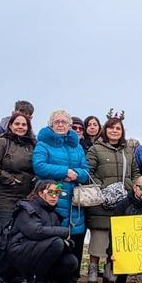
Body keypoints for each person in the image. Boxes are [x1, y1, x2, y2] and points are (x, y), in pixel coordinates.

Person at [33, 109, 92, 269]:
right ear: (51, 125)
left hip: (74, 196)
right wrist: (64, 171)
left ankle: (72, 273)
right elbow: (39, 166)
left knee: (77, 232)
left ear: (69, 125)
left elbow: (86, 170)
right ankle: (51, 272)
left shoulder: (77, 147)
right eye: (57, 122)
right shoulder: (43, 144)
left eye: (63, 122)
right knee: (54, 232)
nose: (60, 125)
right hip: (53, 194)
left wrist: (76, 174)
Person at [86, 113, 139, 283]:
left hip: (123, 199)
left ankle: (111, 267)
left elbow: (135, 172)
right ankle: (93, 268)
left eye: (118, 128)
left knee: (116, 235)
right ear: (105, 129)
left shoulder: (128, 151)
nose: (115, 131)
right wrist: (103, 188)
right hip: (102, 198)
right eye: (111, 127)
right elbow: (89, 172)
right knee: (98, 233)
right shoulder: (95, 149)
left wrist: (131, 186)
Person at [7, 180, 80, 283]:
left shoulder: (53, 212)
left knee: (70, 261)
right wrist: (64, 232)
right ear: (41, 193)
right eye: (50, 192)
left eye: (57, 192)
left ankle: (49, 279)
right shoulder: (27, 208)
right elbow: (35, 232)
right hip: (20, 250)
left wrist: (68, 243)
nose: (54, 196)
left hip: (37, 248)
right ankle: (35, 281)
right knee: (56, 243)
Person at [0, 112, 36, 228]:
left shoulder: (32, 145)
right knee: (6, 231)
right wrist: (8, 179)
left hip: (27, 196)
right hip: (6, 196)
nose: (20, 127)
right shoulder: (2, 142)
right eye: (17, 124)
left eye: (24, 124)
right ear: (11, 126)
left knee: (22, 232)